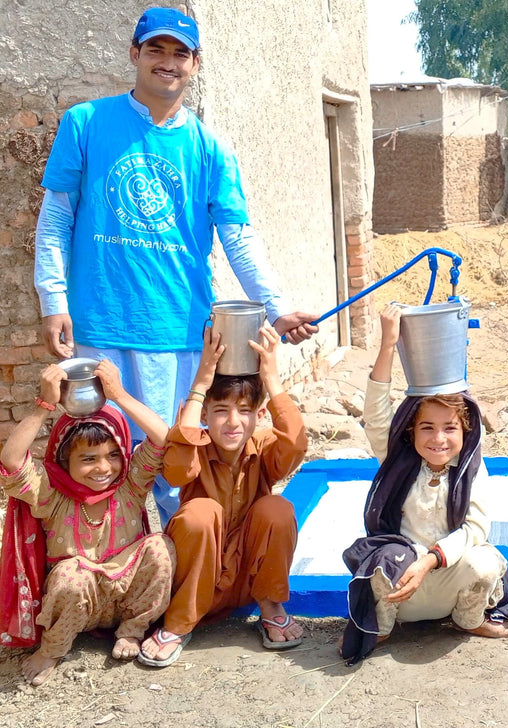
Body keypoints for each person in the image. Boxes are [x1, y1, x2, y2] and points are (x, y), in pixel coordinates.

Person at [33, 7, 317, 523]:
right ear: (135, 54)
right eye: (156, 50)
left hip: (180, 331)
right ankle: (105, 576)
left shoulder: (210, 149)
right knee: (101, 459)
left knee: (175, 464)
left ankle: (174, 582)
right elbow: (55, 221)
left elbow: (238, 236)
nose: (168, 62)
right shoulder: (87, 123)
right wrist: (54, 301)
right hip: (101, 324)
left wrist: (276, 308)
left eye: (180, 53)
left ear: (195, 63)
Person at [339, 305, 508, 664]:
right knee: (382, 558)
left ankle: (468, 620)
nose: (438, 439)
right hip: (401, 590)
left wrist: (429, 561)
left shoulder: (471, 470)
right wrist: (388, 345)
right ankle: (379, 628)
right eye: (427, 427)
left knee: (486, 561)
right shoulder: (397, 461)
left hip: (445, 580)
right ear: (412, 430)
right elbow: (376, 414)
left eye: (450, 428)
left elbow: (475, 528)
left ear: (466, 430)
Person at [137, 324, 306, 667]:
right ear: (204, 415)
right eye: (220, 411)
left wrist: (271, 379)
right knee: (201, 512)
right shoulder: (194, 447)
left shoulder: (263, 448)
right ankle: (180, 622)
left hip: (248, 581)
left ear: (259, 415)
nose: (233, 422)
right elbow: (176, 471)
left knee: (277, 508)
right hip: (199, 582)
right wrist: (200, 384)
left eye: (244, 411)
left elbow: (296, 443)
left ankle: (272, 606)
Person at [0, 361, 175, 686]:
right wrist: (44, 406)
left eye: (112, 455)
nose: (103, 468)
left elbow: (163, 439)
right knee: (69, 575)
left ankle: (132, 632)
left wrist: (119, 394)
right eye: (88, 459)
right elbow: (11, 462)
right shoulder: (51, 495)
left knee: (160, 547)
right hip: (79, 603)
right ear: (66, 462)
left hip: (127, 596)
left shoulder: (130, 486)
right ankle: (54, 649)